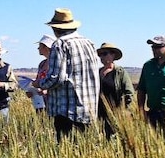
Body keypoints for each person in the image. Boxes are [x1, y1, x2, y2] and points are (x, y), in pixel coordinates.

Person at [38, 8, 100, 142]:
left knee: (67, 152)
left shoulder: (60, 44)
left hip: (67, 111)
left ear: (55, 28)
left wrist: (40, 83)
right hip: (88, 109)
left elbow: (56, 78)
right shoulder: (89, 43)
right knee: (83, 152)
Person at [97, 43, 134, 139]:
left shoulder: (120, 73)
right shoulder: (97, 72)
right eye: (100, 54)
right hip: (99, 114)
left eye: (105, 54)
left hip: (116, 113)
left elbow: (129, 93)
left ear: (113, 55)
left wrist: (126, 111)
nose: (102, 57)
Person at [29, 35, 55, 114]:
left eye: (40, 46)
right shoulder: (42, 64)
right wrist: (32, 92)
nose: (38, 48)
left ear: (46, 47)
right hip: (40, 103)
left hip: (53, 103)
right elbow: (38, 81)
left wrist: (47, 91)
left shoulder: (55, 64)